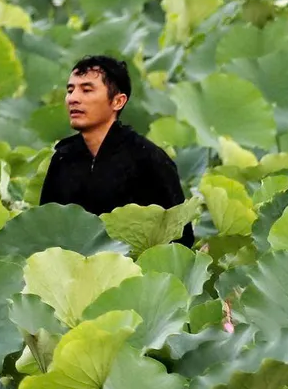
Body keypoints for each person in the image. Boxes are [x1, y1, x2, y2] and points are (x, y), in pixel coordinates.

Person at [39, 55, 195, 246]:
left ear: (118, 101)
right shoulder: (62, 158)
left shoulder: (149, 160)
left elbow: (180, 240)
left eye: (86, 90)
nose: (73, 99)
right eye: (70, 90)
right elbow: (45, 230)